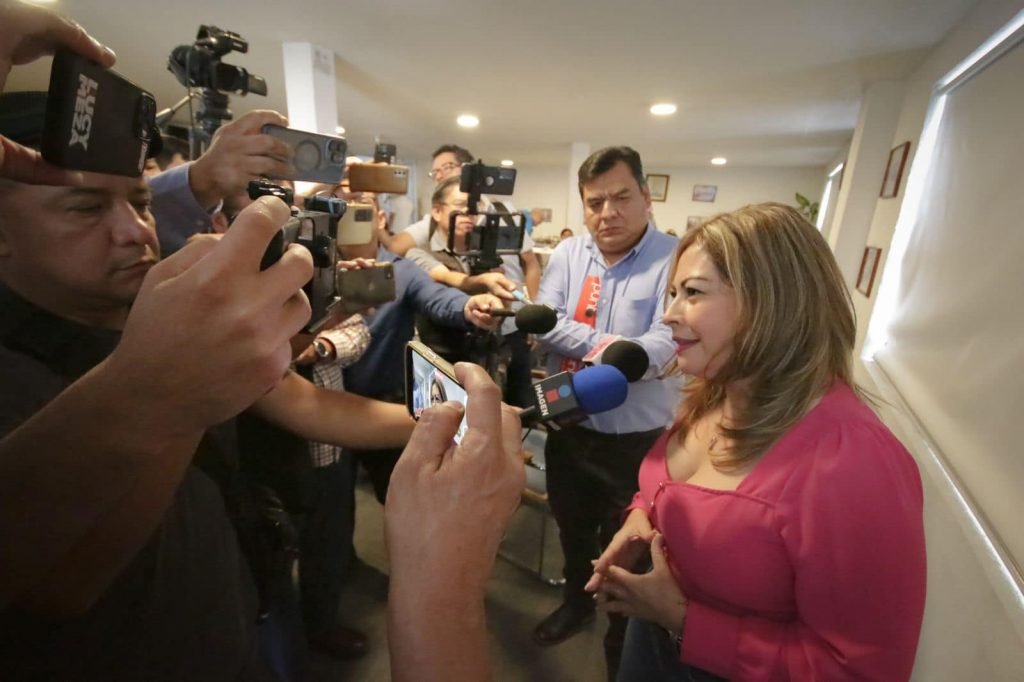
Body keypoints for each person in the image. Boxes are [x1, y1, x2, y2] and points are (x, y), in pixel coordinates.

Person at [0, 6, 519, 680]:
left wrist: (450, 422)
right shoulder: (24, 376)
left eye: (142, 202)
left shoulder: (157, 315)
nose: (134, 231)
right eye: (83, 208)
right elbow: (56, 579)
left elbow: (307, 405)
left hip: (238, 611)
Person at [587, 203, 927, 681]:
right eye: (672, 293)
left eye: (693, 293)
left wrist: (683, 620)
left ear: (771, 302)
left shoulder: (854, 461)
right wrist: (641, 518)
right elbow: (665, 487)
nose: (669, 315)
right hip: (652, 641)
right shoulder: (714, 390)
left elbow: (860, 669)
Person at [533, 146, 681, 680]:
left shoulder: (676, 257)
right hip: (570, 426)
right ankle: (575, 604)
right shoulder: (568, 254)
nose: (608, 213)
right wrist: (615, 350)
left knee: (629, 551)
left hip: (637, 441)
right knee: (572, 530)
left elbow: (666, 340)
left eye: (621, 198)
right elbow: (545, 321)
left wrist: (617, 351)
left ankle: (621, 639)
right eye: (595, 203)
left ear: (646, 195)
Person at [405, 176, 536, 407]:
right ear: (437, 211)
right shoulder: (417, 254)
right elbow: (445, 275)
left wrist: (499, 296)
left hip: (489, 364)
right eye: (460, 206)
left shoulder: (486, 256)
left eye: (474, 209)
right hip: (442, 368)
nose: (468, 213)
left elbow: (498, 315)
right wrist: (483, 280)